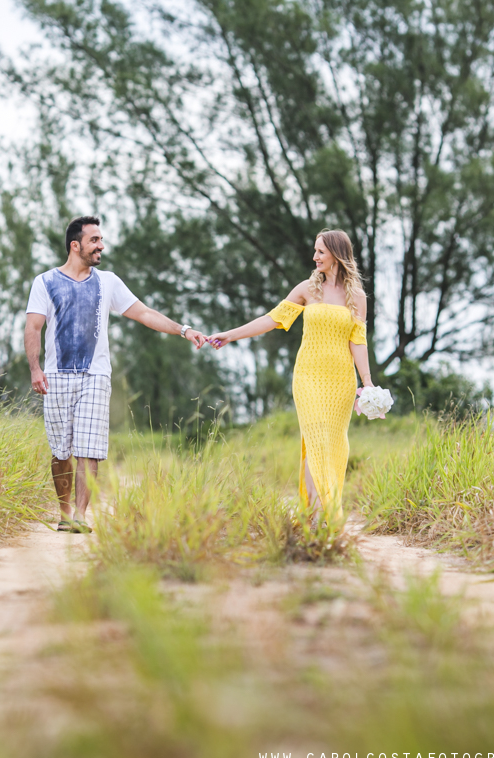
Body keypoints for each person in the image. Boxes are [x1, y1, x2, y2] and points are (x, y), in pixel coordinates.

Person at [25, 215, 208, 532]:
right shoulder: (45, 282)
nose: (101, 246)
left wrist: (184, 330)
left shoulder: (107, 282)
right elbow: (33, 327)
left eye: (101, 239)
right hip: (56, 376)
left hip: (96, 376)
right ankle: (65, 512)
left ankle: (80, 516)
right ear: (75, 245)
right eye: (94, 240)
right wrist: (35, 369)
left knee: (89, 448)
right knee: (61, 452)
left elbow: (144, 313)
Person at [208, 230, 374, 526]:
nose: (315, 257)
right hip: (308, 376)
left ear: (337, 254)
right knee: (316, 436)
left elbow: (358, 341)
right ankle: (320, 515)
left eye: (320, 252)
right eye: (315, 251)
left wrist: (367, 382)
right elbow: (272, 320)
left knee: (333, 442)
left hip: (341, 380)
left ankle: (314, 513)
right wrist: (231, 335)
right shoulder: (307, 289)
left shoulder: (357, 297)